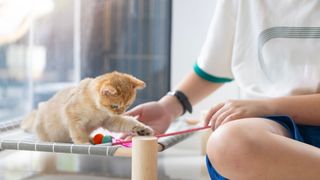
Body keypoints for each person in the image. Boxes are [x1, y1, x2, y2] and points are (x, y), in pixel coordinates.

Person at [126, 0, 320, 179]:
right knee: (229, 144)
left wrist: (266, 106)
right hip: (270, 130)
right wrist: (168, 108)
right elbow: (213, 67)